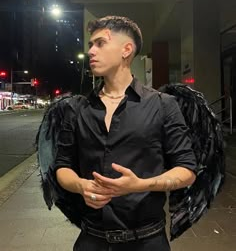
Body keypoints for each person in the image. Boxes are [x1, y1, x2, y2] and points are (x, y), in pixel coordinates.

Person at [54, 16, 197, 251]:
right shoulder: (76, 109)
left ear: (126, 50)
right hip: (91, 240)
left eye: (100, 43)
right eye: (90, 44)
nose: (91, 51)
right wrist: (81, 185)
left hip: (147, 241)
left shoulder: (163, 105)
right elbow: (62, 166)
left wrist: (140, 185)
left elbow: (187, 170)